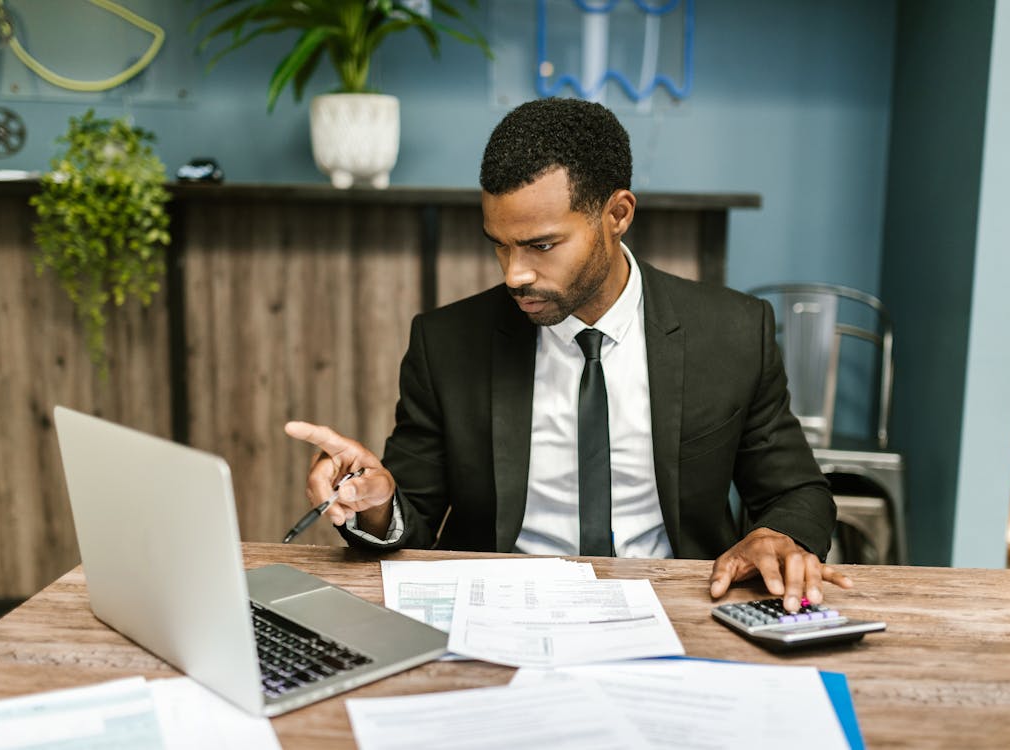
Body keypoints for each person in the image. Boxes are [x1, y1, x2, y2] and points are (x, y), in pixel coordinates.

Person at [286, 98, 852, 612]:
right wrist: (377, 503)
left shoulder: (731, 332)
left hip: (681, 604)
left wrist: (781, 536)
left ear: (617, 214)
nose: (516, 274)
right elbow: (414, 516)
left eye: (541, 245)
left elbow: (795, 490)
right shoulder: (447, 343)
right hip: (503, 611)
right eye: (500, 246)